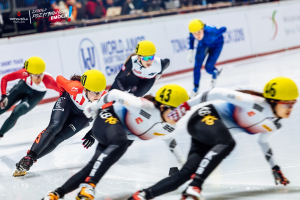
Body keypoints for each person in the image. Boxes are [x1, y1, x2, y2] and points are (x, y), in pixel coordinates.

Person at [130, 77, 297, 200]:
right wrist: (185, 106)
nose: (290, 108)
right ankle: (195, 186)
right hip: (204, 117)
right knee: (227, 143)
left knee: (185, 173)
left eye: (293, 104)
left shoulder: (275, 124)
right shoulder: (254, 103)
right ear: (274, 101)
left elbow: (263, 142)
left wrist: (275, 168)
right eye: (287, 104)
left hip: (211, 133)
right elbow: (215, 93)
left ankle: (142, 195)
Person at [42, 84, 189, 200]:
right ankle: (90, 185)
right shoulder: (142, 106)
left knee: (93, 166)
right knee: (121, 142)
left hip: (118, 136)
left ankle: (56, 194)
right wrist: (94, 107)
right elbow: (113, 94)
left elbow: (171, 142)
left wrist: (183, 163)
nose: (178, 117)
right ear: (163, 107)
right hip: (108, 118)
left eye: (182, 113)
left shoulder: (169, 127)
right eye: (176, 112)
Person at [13, 69, 108, 177]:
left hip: (83, 115)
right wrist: (63, 93)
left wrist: (92, 133)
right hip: (67, 102)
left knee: (59, 138)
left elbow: (105, 117)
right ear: (85, 89)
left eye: (100, 92)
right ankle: (29, 156)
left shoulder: (105, 98)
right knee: (55, 127)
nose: (98, 96)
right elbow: (59, 79)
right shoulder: (74, 87)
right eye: (94, 92)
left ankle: (29, 160)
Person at [0, 57, 60, 138]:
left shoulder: (48, 81)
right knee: (2, 106)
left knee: (16, 112)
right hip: (23, 86)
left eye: (41, 74)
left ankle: (1, 133)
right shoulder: (23, 73)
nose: (39, 78)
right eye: (36, 75)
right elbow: (5, 78)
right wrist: (4, 95)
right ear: (29, 73)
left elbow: (62, 91)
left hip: (36, 94)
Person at [188, 19, 226, 97]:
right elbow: (191, 39)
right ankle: (195, 88)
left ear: (203, 29)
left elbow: (224, 29)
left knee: (208, 68)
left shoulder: (211, 31)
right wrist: (190, 51)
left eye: (199, 32)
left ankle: (215, 72)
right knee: (197, 66)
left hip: (217, 44)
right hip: (203, 44)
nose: (197, 35)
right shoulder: (192, 32)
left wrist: (220, 31)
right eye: (195, 34)